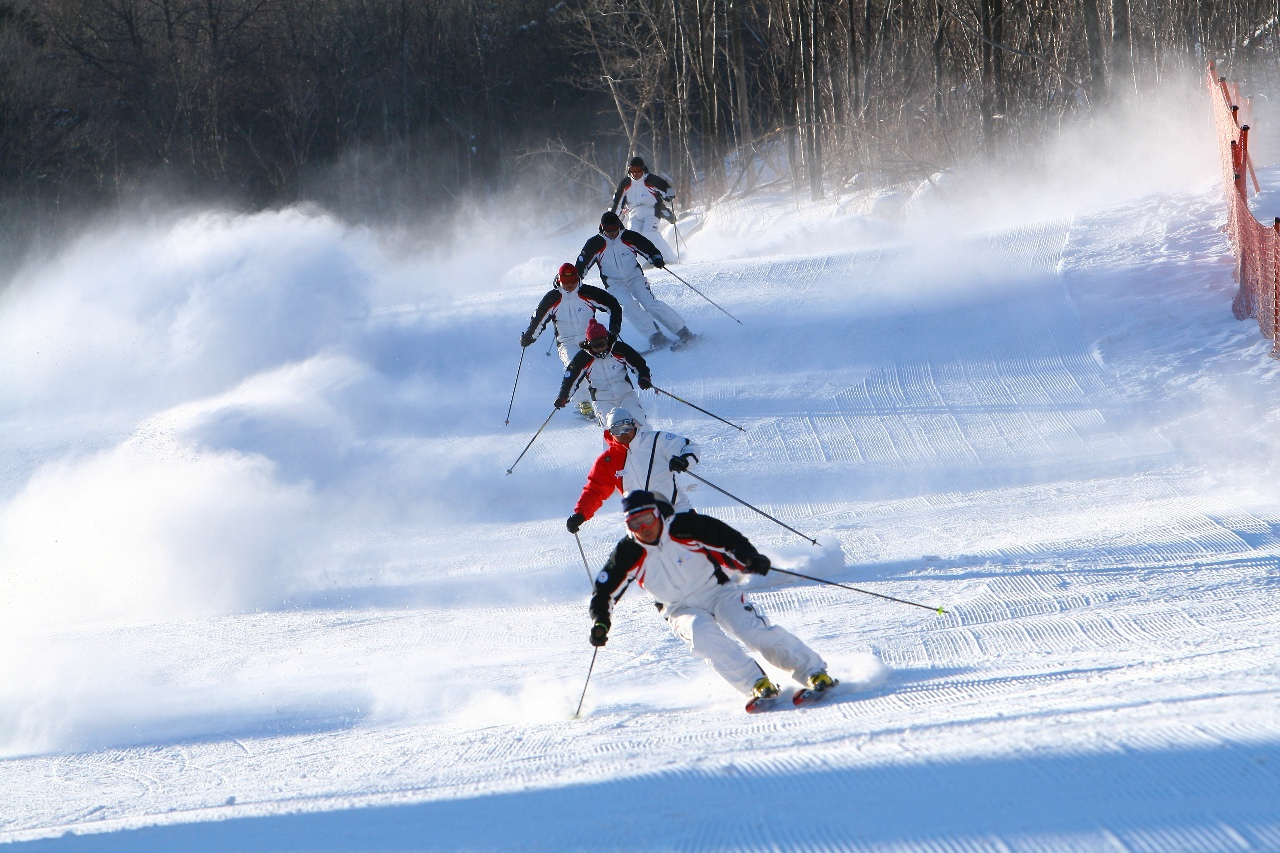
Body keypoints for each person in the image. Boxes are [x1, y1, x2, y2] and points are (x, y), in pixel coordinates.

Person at [587, 489, 839, 713]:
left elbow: (728, 539)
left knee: (751, 630)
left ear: (657, 514)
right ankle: (756, 684)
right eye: (635, 524)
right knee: (702, 635)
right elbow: (603, 592)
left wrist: (750, 558)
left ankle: (813, 672)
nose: (644, 528)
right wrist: (600, 623)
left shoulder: (684, 527)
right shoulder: (627, 553)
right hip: (679, 608)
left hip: (717, 591)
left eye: (647, 519)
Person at [566, 407, 699, 534]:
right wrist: (580, 514)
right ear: (610, 432)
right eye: (617, 430)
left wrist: (685, 460)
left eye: (626, 427)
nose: (623, 433)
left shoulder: (656, 440)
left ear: (634, 424)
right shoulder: (608, 460)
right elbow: (595, 490)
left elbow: (689, 447)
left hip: (675, 508)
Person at [577, 211, 695, 352]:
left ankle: (683, 332)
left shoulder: (628, 237)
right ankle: (655, 336)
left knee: (650, 304)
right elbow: (582, 264)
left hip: (635, 277)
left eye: (614, 228)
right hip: (614, 282)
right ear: (602, 228)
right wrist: (574, 278)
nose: (612, 232)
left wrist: (655, 257)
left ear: (619, 225)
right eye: (608, 229)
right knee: (627, 306)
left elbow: (647, 247)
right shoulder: (595, 243)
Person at [521, 262, 623, 419]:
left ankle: (607, 400)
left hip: (590, 340)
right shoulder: (553, 298)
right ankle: (584, 403)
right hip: (566, 342)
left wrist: (613, 331)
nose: (569, 285)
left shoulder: (587, 293)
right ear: (559, 280)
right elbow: (538, 319)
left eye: (573, 281)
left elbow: (614, 305)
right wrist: (529, 336)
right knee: (574, 366)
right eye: (565, 282)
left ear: (578, 278)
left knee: (597, 369)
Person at [555, 319, 652, 427]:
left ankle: (648, 442)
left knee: (639, 423)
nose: (600, 348)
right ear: (588, 343)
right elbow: (570, 379)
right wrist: (563, 396)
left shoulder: (619, 349)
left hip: (626, 395)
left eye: (602, 343)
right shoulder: (583, 358)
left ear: (607, 339)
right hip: (602, 400)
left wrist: (644, 378)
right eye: (595, 345)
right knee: (613, 430)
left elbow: (639, 364)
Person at [611, 156, 676, 261]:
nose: (635, 173)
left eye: (638, 169)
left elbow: (665, 190)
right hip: (633, 213)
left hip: (652, 211)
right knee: (632, 234)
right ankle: (642, 261)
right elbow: (617, 203)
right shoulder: (626, 183)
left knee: (649, 232)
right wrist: (612, 218)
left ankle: (669, 258)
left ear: (642, 169)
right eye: (633, 169)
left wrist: (669, 193)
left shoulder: (651, 180)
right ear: (629, 169)